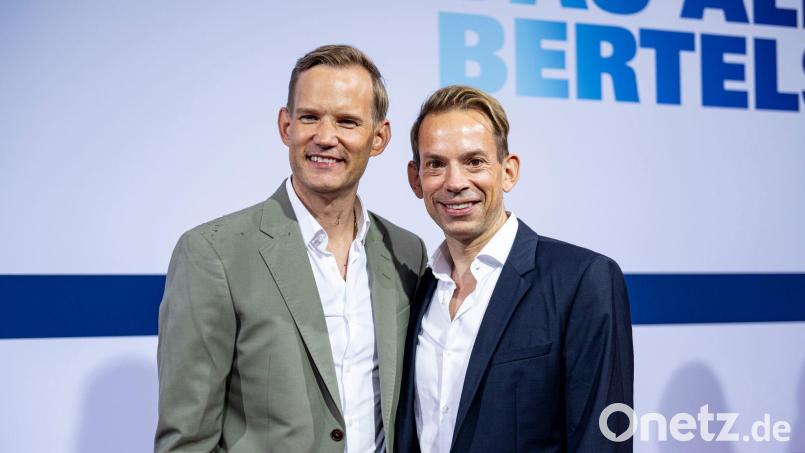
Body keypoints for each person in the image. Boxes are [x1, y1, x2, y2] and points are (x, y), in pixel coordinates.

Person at [155, 44, 427, 453]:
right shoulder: (213, 253)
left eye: (347, 121)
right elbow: (186, 441)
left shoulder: (406, 251)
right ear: (286, 126)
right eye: (309, 117)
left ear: (379, 137)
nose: (325, 137)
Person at [395, 85, 634, 452]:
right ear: (416, 179)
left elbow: (603, 440)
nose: (455, 182)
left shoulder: (582, 280)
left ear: (508, 172)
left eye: (474, 162)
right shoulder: (416, 289)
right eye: (436, 164)